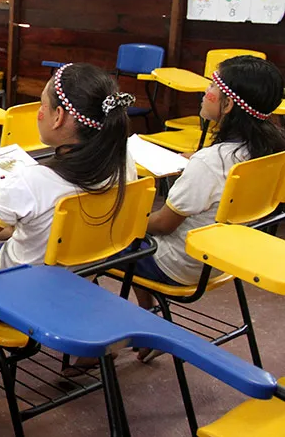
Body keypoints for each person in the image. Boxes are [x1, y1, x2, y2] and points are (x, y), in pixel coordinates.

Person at [0, 63, 137, 389]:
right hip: (76, 283)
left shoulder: (36, 181)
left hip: (14, 299)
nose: (39, 113)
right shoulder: (123, 160)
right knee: (2, 247)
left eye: (42, 106)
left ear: (59, 117)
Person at [116, 56, 285, 328]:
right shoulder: (269, 151)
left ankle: (103, 344)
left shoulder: (210, 162)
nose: (205, 94)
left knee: (97, 247)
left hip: (179, 264)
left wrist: (121, 219)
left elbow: (162, 225)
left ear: (228, 104)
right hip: (224, 259)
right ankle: (148, 319)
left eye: (212, 87)